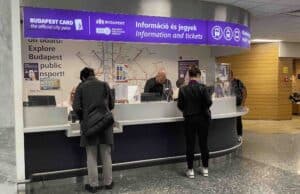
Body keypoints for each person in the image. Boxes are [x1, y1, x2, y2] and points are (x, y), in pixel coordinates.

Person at [73, 67, 114, 193]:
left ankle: (94, 185)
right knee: (106, 154)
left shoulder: (81, 87)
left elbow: (77, 108)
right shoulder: (104, 85)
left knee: (91, 156)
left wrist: (84, 119)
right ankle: (108, 182)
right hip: (105, 124)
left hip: (89, 126)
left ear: (83, 77)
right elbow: (111, 105)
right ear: (93, 75)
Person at [177, 66, 212, 179]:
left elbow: (180, 105)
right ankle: (205, 169)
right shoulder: (203, 88)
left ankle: (190, 170)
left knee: (190, 144)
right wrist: (202, 108)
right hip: (203, 119)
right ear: (198, 76)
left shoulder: (183, 89)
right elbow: (209, 102)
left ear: (189, 76)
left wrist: (187, 110)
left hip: (189, 120)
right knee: (203, 144)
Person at [230, 70, 247, 142]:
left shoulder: (237, 81)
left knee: (238, 120)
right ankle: (231, 135)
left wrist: (243, 103)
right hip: (228, 105)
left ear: (231, 75)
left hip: (237, 104)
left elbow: (244, 91)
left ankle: (239, 135)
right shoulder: (224, 83)